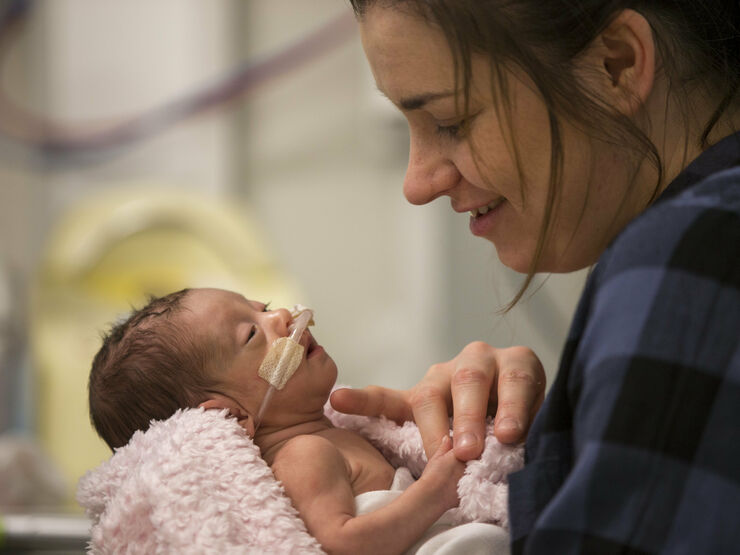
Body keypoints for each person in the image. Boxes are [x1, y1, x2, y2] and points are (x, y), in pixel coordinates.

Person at [329, 1, 740, 553]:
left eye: (450, 122)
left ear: (615, 64)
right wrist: (541, 442)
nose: (417, 182)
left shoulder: (694, 251)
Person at [88, 287, 511, 554]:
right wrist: (437, 490)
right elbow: (343, 543)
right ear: (230, 414)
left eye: (264, 308)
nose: (280, 318)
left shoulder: (332, 430)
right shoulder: (303, 454)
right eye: (252, 334)